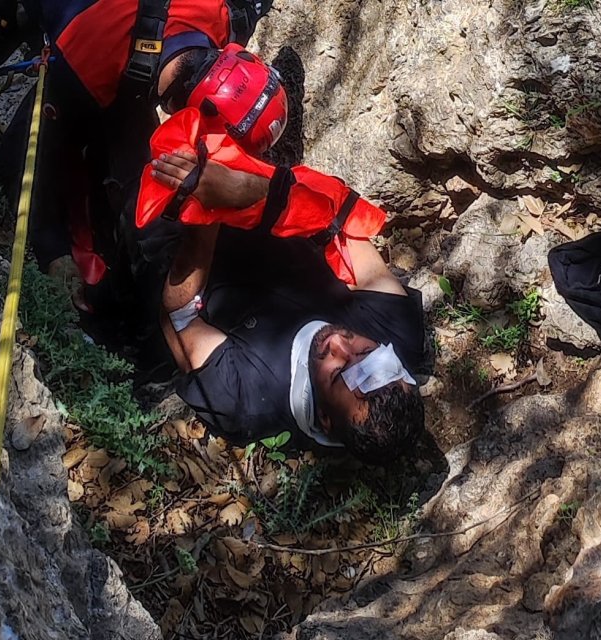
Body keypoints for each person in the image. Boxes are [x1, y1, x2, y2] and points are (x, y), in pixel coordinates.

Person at [0, 0, 275, 312]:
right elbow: (25, 151)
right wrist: (53, 252)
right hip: (78, 33)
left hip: (117, 42)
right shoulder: (84, 64)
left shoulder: (229, 15)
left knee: (118, 116)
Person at [149, 151, 428, 462]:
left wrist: (206, 210)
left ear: (324, 417)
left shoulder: (246, 403)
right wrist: (246, 190)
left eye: (337, 373)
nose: (339, 344)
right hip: (250, 191)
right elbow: (338, 222)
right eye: (365, 351)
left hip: (166, 238)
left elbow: (179, 316)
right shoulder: (399, 333)